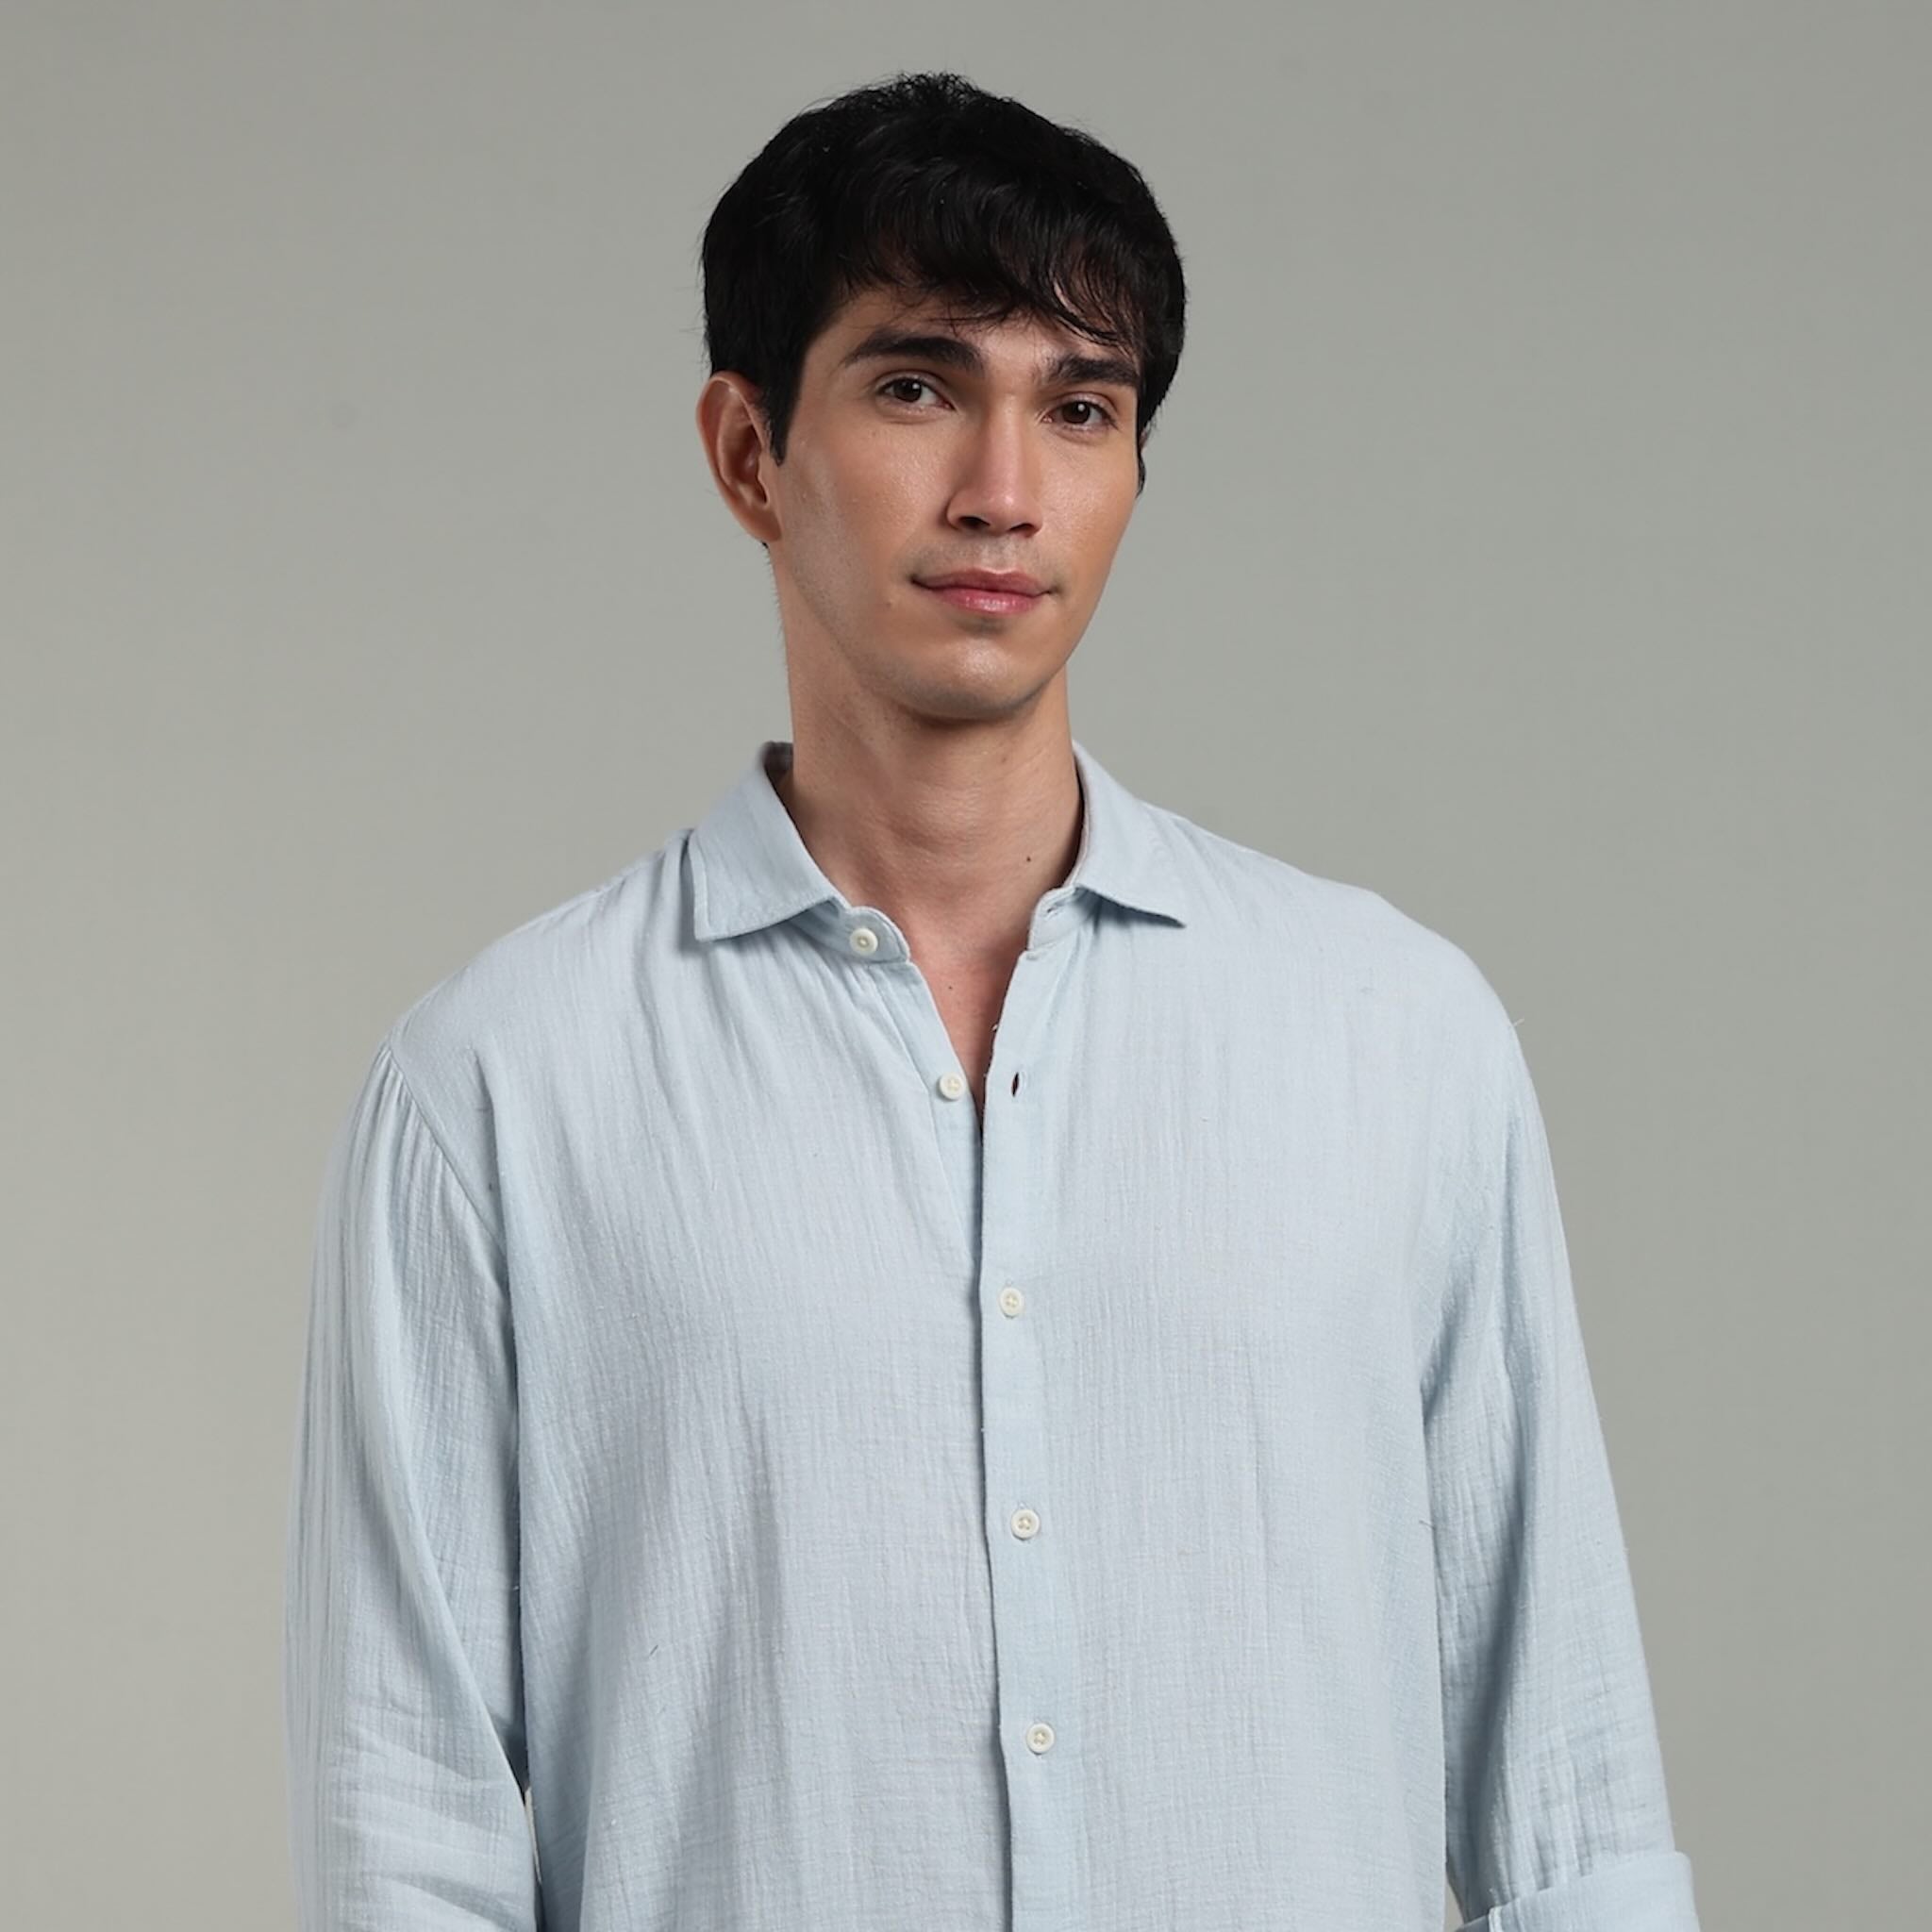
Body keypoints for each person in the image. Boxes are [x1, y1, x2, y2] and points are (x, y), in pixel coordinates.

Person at [283, 68, 1702, 1932]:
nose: (1003, 492)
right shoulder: (499, 1089)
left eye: (1080, 407)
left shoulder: (1395, 1039)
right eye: (914, 384)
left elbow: (1570, 1810)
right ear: (744, 452)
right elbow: (408, 1846)